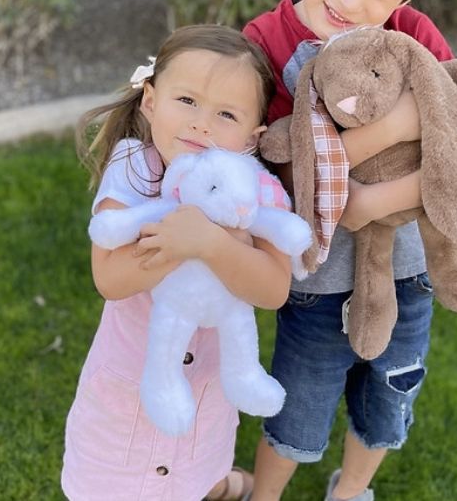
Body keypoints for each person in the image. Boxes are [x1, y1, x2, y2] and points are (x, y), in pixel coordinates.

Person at [241, 0, 457, 500]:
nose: (352, 0)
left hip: (407, 275)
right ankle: (264, 495)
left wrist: (371, 200)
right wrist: (398, 127)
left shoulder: (416, 38)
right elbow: (278, 172)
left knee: (387, 398)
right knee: (296, 406)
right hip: (313, 284)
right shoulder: (264, 45)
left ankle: (351, 491)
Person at [62, 25, 294, 501]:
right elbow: (110, 277)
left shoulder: (253, 189)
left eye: (226, 113)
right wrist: (179, 240)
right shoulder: (132, 167)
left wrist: (210, 243)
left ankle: (221, 486)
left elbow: (273, 290)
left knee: (191, 477)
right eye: (187, 101)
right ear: (150, 101)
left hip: (204, 394)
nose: (202, 124)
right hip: (125, 399)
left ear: (254, 136)